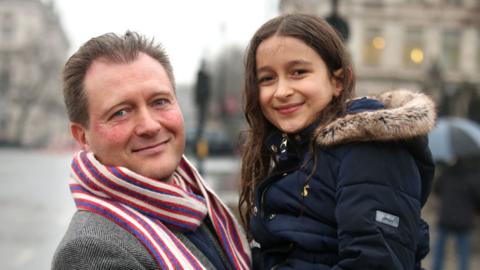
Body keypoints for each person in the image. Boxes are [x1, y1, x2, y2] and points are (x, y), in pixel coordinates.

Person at [238, 14, 436, 269]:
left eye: (298, 72)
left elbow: (375, 262)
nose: (282, 91)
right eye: (267, 78)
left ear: (338, 82)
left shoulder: (369, 149)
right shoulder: (295, 153)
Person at [52, 31, 251, 270]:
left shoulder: (193, 201)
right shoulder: (91, 252)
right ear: (82, 137)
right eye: (120, 112)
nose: (149, 125)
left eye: (159, 102)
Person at [431, 158, 480, 270]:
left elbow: (436, 189)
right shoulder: (473, 176)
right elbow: (478, 198)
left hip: (446, 217)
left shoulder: (447, 173)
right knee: (463, 255)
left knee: (438, 252)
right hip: (464, 220)